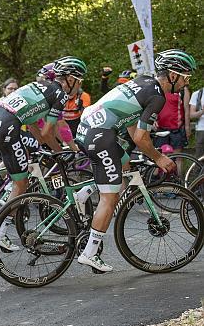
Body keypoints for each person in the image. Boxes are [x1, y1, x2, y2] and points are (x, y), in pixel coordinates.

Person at [75, 49, 196, 273]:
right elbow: (141, 137)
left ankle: (83, 193)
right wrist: (159, 157)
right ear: (172, 75)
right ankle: (89, 253)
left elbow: (131, 124)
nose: (186, 81)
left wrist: (144, 149)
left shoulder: (144, 81)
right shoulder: (158, 96)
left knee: (125, 164)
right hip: (100, 135)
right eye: (185, 76)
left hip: (89, 129)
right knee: (109, 198)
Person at [0, 57, 85, 250]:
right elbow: (49, 131)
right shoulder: (60, 95)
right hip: (8, 127)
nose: (79, 85)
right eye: (79, 80)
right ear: (69, 79)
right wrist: (59, 152)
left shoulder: (41, 85)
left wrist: (42, 144)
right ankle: (0, 232)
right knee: (21, 183)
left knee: (15, 166)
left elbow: (33, 123)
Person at [189, 85, 204, 157]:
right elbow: (191, 115)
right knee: (200, 159)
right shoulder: (197, 94)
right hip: (201, 130)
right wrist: (202, 111)